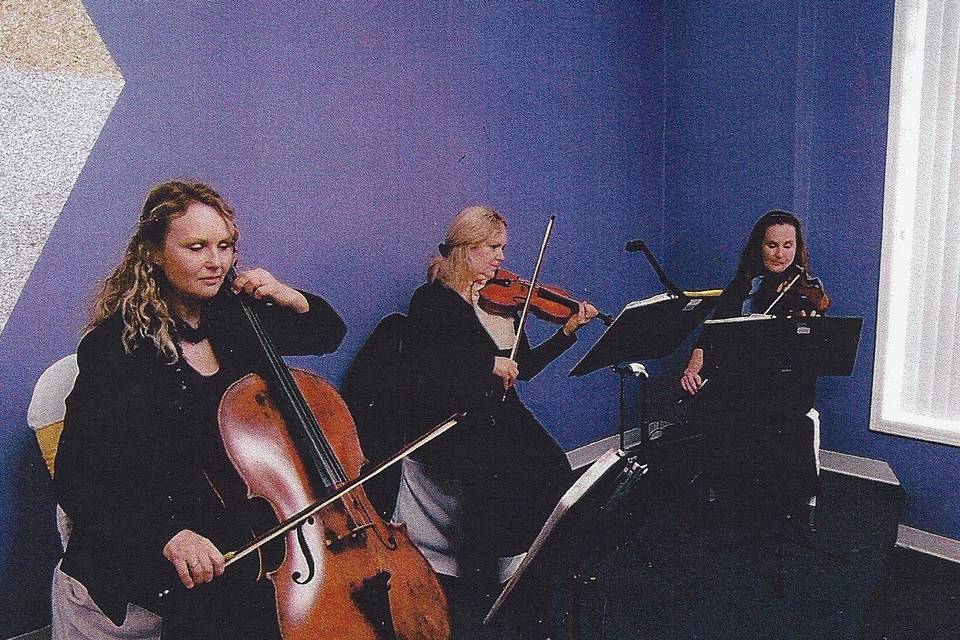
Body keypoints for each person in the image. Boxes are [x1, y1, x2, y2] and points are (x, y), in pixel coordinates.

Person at [53, 181, 347, 640]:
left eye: (225, 246)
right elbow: (78, 476)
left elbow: (328, 333)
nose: (216, 262)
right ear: (153, 252)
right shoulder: (116, 348)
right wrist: (168, 535)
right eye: (196, 247)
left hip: (232, 523)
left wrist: (289, 295)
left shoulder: (236, 319)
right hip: (160, 531)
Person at [393, 205, 597, 636]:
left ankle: (525, 563)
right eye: (493, 248)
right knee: (500, 476)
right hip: (458, 416)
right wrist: (485, 365)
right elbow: (425, 369)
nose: (502, 258)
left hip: (499, 412)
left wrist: (567, 332)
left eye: (502, 248)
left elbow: (526, 367)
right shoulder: (432, 300)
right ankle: (488, 577)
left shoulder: (500, 302)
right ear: (466, 249)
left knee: (554, 466)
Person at [680, 209, 826, 519]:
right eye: (772, 245)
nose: (781, 254)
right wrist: (693, 366)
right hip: (744, 378)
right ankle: (732, 490)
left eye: (788, 245)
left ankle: (771, 500)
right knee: (719, 403)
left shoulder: (807, 287)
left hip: (789, 382)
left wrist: (806, 322)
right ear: (759, 247)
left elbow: (812, 346)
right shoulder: (742, 286)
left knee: (761, 409)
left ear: (797, 247)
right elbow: (712, 331)